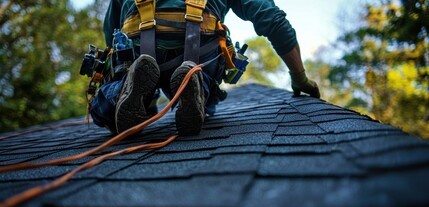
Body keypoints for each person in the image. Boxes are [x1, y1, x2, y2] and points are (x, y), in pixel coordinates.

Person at [90, 0, 320, 136]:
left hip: (136, 48)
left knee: (114, 89)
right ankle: (197, 86)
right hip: (200, 50)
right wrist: (299, 77)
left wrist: (119, 74)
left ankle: (122, 91)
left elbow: (111, 35)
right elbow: (273, 20)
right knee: (203, 81)